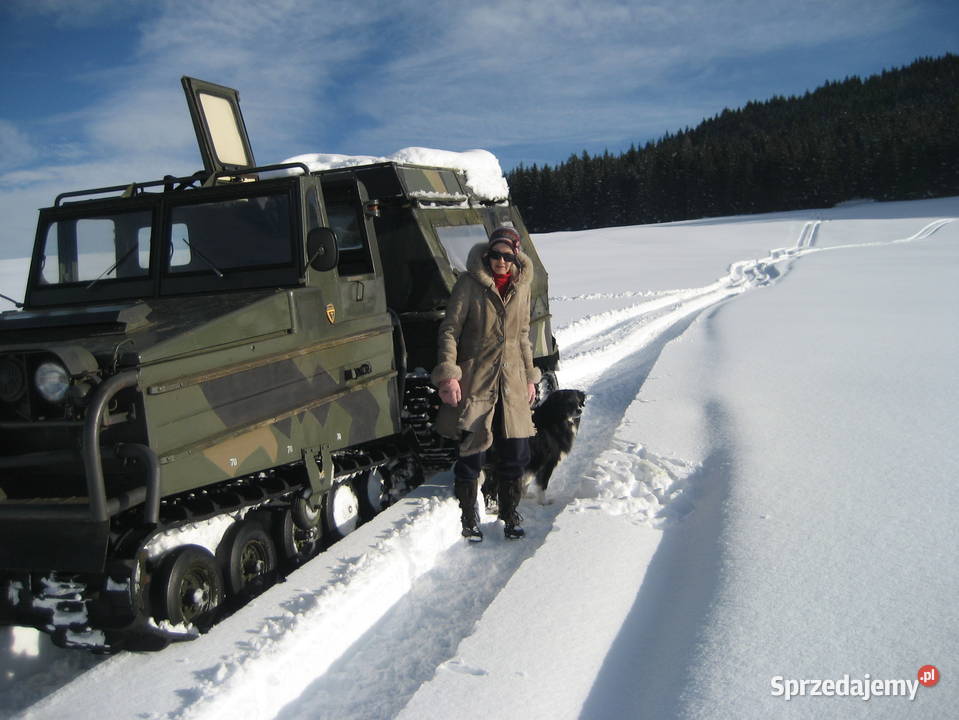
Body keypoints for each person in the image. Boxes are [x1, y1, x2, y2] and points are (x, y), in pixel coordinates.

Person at [432, 225, 541, 542]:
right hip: (478, 380)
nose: (501, 261)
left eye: (507, 255)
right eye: (495, 254)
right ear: (487, 254)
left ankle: (509, 515)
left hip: (512, 381)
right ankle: (469, 520)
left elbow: (523, 336)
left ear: (516, 256)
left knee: (516, 453)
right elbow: (450, 330)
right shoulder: (469, 284)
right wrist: (449, 374)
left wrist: (530, 376)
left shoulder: (522, 288)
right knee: (472, 452)